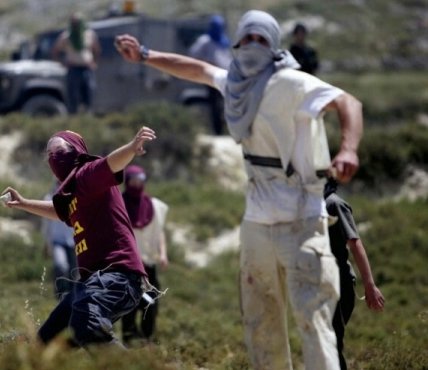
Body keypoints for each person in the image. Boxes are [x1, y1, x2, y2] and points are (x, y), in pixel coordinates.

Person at [116, 9, 364, 370]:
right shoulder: (236, 82)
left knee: (313, 320)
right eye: (246, 38)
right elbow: (197, 69)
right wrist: (145, 55)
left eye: (260, 39)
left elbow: (348, 102)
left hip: (302, 218)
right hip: (257, 223)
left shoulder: (292, 82)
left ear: (274, 45)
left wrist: (349, 148)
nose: (252, 46)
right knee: (261, 325)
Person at [1, 127, 156, 349]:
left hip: (119, 276)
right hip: (92, 282)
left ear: (77, 152)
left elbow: (112, 163)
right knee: (48, 344)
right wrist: (24, 203)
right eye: (49, 154)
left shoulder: (87, 173)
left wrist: (132, 147)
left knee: (87, 324)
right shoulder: (73, 193)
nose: (54, 156)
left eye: (59, 150)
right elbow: (60, 212)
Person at [323, 179, 385, 370]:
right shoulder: (310, 207)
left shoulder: (334, 204)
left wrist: (370, 285)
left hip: (338, 286)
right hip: (319, 286)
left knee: (331, 343)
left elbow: (355, 244)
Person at [120, 165, 169, 345]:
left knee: (151, 302)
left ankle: (147, 339)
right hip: (126, 266)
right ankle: (128, 340)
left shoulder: (154, 206)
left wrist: (163, 254)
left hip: (148, 265)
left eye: (140, 182)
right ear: (127, 182)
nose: (136, 185)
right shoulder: (119, 204)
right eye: (133, 182)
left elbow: (160, 231)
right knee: (128, 306)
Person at [189, 14, 232, 135]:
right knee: (215, 104)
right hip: (211, 75)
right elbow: (194, 54)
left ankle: (226, 129)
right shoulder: (205, 41)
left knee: (226, 103)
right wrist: (207, 64)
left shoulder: (223, 40)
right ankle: (217, 130)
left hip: (226, 75)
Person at [51, 13, 101, 114]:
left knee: (89, 92)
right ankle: (74, 118)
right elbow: (55, 50)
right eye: (74, 22)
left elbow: (96, 49)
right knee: (73, 95)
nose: (76, 24)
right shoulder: (66, 36)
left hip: (87, 69)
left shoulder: (89, 34)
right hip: (73, 69)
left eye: (77, 22)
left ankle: (88, 116)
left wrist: (95, 62)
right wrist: (62, 63)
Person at [41, 179, 79, 298]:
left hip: (74, 240)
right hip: (57, 241)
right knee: (61, 266)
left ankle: (72, 297)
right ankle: (60, 294)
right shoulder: (49, 198)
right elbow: (46, 224)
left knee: (74, 271)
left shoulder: (75, 198)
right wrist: (47, 243)